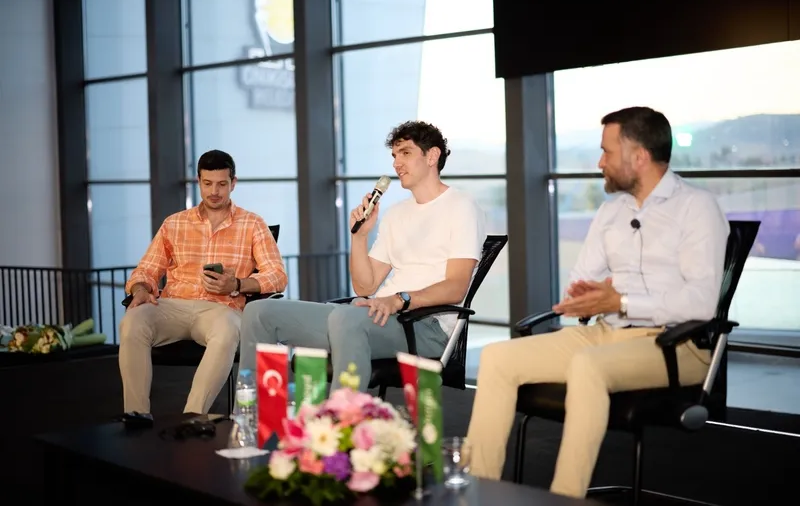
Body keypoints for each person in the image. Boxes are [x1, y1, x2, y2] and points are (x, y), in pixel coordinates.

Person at [466, 106, 730, 498]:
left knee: (587, 366)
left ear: (638, 156)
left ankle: (563, 498)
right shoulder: (611, 211)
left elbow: (700, 303)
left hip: (675, 345)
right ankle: (478, 490)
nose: (599, 162)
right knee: (498, 357)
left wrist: (622, 300)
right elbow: (581, 281)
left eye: (607, 151)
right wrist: (589, 298)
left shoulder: (696, 208)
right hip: (608, 332)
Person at [238, 120, 487, 389]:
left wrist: (400, 300)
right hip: (376, 316)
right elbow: (365, 285)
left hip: (425, 326)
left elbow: (455, 287)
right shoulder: (396, 214)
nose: (396, 163)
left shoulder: (461, 206)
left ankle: (341, 423)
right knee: (259, 312)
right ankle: (255, 418)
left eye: (405, 153)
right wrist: (360, 237)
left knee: (347, 316)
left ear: (432, 156)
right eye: (394, 155)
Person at [119, 150, 287, 416]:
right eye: (207, 184)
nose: (214, 192)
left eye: (222, 184)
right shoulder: (174, 223)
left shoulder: (253, 224)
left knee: (227, 329)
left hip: (221, 309)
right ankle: (136, 413)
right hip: (173, 305)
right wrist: (140, 290)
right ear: (198, 181)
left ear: (233, 183)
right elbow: (146, 270)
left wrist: (238, 284)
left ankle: (194, 415)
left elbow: (277, 275)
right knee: (134, 318)